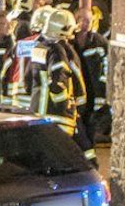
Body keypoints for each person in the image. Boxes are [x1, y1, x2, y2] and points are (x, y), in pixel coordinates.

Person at [31, 8, 87, 138]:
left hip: (37, 112)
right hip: (57, 116)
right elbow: (59, 82)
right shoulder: (58, 50)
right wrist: (67, 106)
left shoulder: (39, 47)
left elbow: (30, 80)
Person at [73, 0, 109, 144]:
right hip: (77, 90)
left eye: (89, 20)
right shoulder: (69, 42)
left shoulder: (99, 42)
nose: (86, 24)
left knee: (90, 123)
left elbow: (107, 64)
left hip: (94, 90)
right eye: (83, 20)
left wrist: (103, 83)